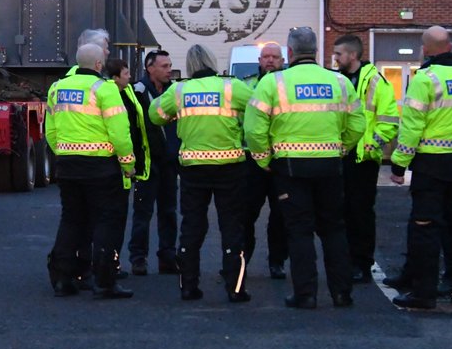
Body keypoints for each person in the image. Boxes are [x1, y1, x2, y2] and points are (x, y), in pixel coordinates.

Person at [245, 26, 364, 309]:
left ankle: (306, 293)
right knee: (334, 229)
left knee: (299, 230)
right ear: (316, 51)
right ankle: (341, 292)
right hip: (329, 166)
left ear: (289, 53)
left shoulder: (273, 83)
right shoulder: (339, 82)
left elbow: (253, 129)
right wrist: (340, 148)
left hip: (290, 167)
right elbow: (358, 123)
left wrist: (264, 160)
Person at [387, 25, 452, 310]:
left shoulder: (425, 79)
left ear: (425, 48)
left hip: (431, 164)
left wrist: (399, 164)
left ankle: (424, 292)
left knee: (425, 228)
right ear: (450, 46)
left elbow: (412, 126)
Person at [149, 44, 253, 303]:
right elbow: (257, 108)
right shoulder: (232, 87)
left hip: (193, 168)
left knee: (192, 227)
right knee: (232, 226)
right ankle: (235, 288)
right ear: (212, 61)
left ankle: (188, 286)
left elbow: (155, 115)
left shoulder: (180, 90)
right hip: (230, 166)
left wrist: (174, 117)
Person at [45, 43, 136, 299]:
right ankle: (104, 281)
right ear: (98, 65)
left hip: (68, 165)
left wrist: (63, 152)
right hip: (101, 167)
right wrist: (128, 164)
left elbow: (50, 131)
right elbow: (120, 132)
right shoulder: (104, 89)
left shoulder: (57, 88)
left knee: (71, 219)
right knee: (107, 222)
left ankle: (63, 279)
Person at [331, 34, 399, 284]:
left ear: (352, 55)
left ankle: (361, 263)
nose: (335, 58)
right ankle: (345, 261)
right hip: (340, 155)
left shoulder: (374, 80)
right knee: (339, 212)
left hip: (363, 159)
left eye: (339, 54)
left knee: (360, 214)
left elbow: (390, 120)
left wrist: (373, 144)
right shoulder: (336, 79)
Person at [128, 49, 180, 277]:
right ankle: (138, 258)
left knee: (169, 211)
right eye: (164, 66)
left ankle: (167, 257)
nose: (169, 70)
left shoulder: (174, 92)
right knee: (143, 212)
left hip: (169, 162)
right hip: (147, 164)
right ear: (150, 68)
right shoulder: (137, 92)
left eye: (170, 65)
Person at [241, 42, 289, 280]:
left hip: (280, 158)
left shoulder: (289, 84)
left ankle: (277, 262)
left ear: (282, 61)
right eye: (266, 56)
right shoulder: (247, 84)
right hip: (253, 160)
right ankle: (241, 260)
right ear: (259, 61)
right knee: (247, 213)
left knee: (281, 215)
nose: (270, 60)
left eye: (275, 56)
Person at [106, 57, 151, 184]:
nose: (129, 76)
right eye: (126, 74)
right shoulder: (111, 98)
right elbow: (119, 133)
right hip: (116, 158)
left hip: (131, 152)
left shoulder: (129, 92)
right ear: (115, 78)